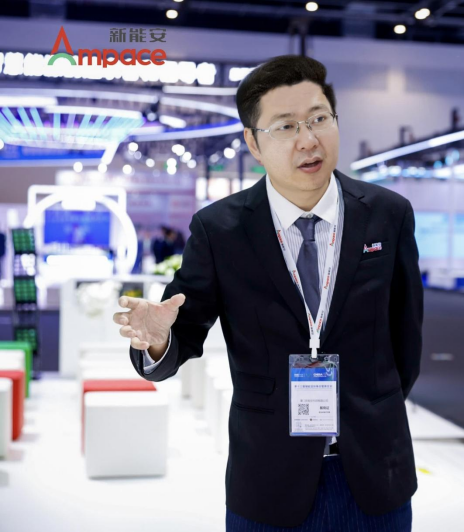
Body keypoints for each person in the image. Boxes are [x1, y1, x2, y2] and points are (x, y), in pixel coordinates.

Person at [113, 54, 423, 531]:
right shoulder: (220, 230)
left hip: (376, 473)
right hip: (268, 478)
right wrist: (157, 340)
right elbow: (184, 329)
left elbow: (407, 337)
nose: (308, 139)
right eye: (286, 127)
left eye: (319, 119)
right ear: (254, 143)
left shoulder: (388, 214)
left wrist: (372, 407)